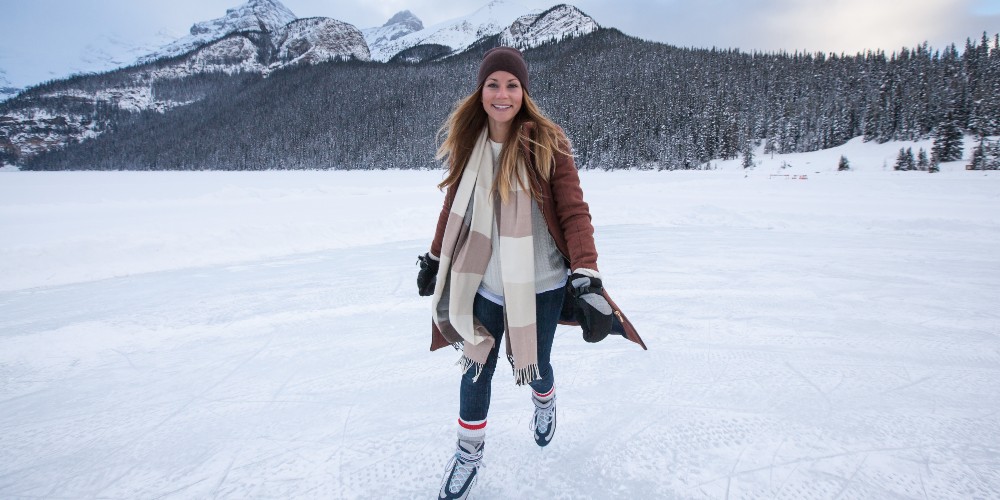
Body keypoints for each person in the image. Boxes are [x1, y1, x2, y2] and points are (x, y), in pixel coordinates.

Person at [416, 47, 646, 499]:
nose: (502, 94)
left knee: (532, 365)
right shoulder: (471, 143)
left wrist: (586, 273)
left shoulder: (548, 141)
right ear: (480, 92)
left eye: (512, 85)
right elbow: (452, 208)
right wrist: (434, 256)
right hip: (482, 282)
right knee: (475, 370)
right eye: (493, 85)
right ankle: (468, 453)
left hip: (542, 285)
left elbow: (574, 211)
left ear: (524, 92)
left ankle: (545, 396)